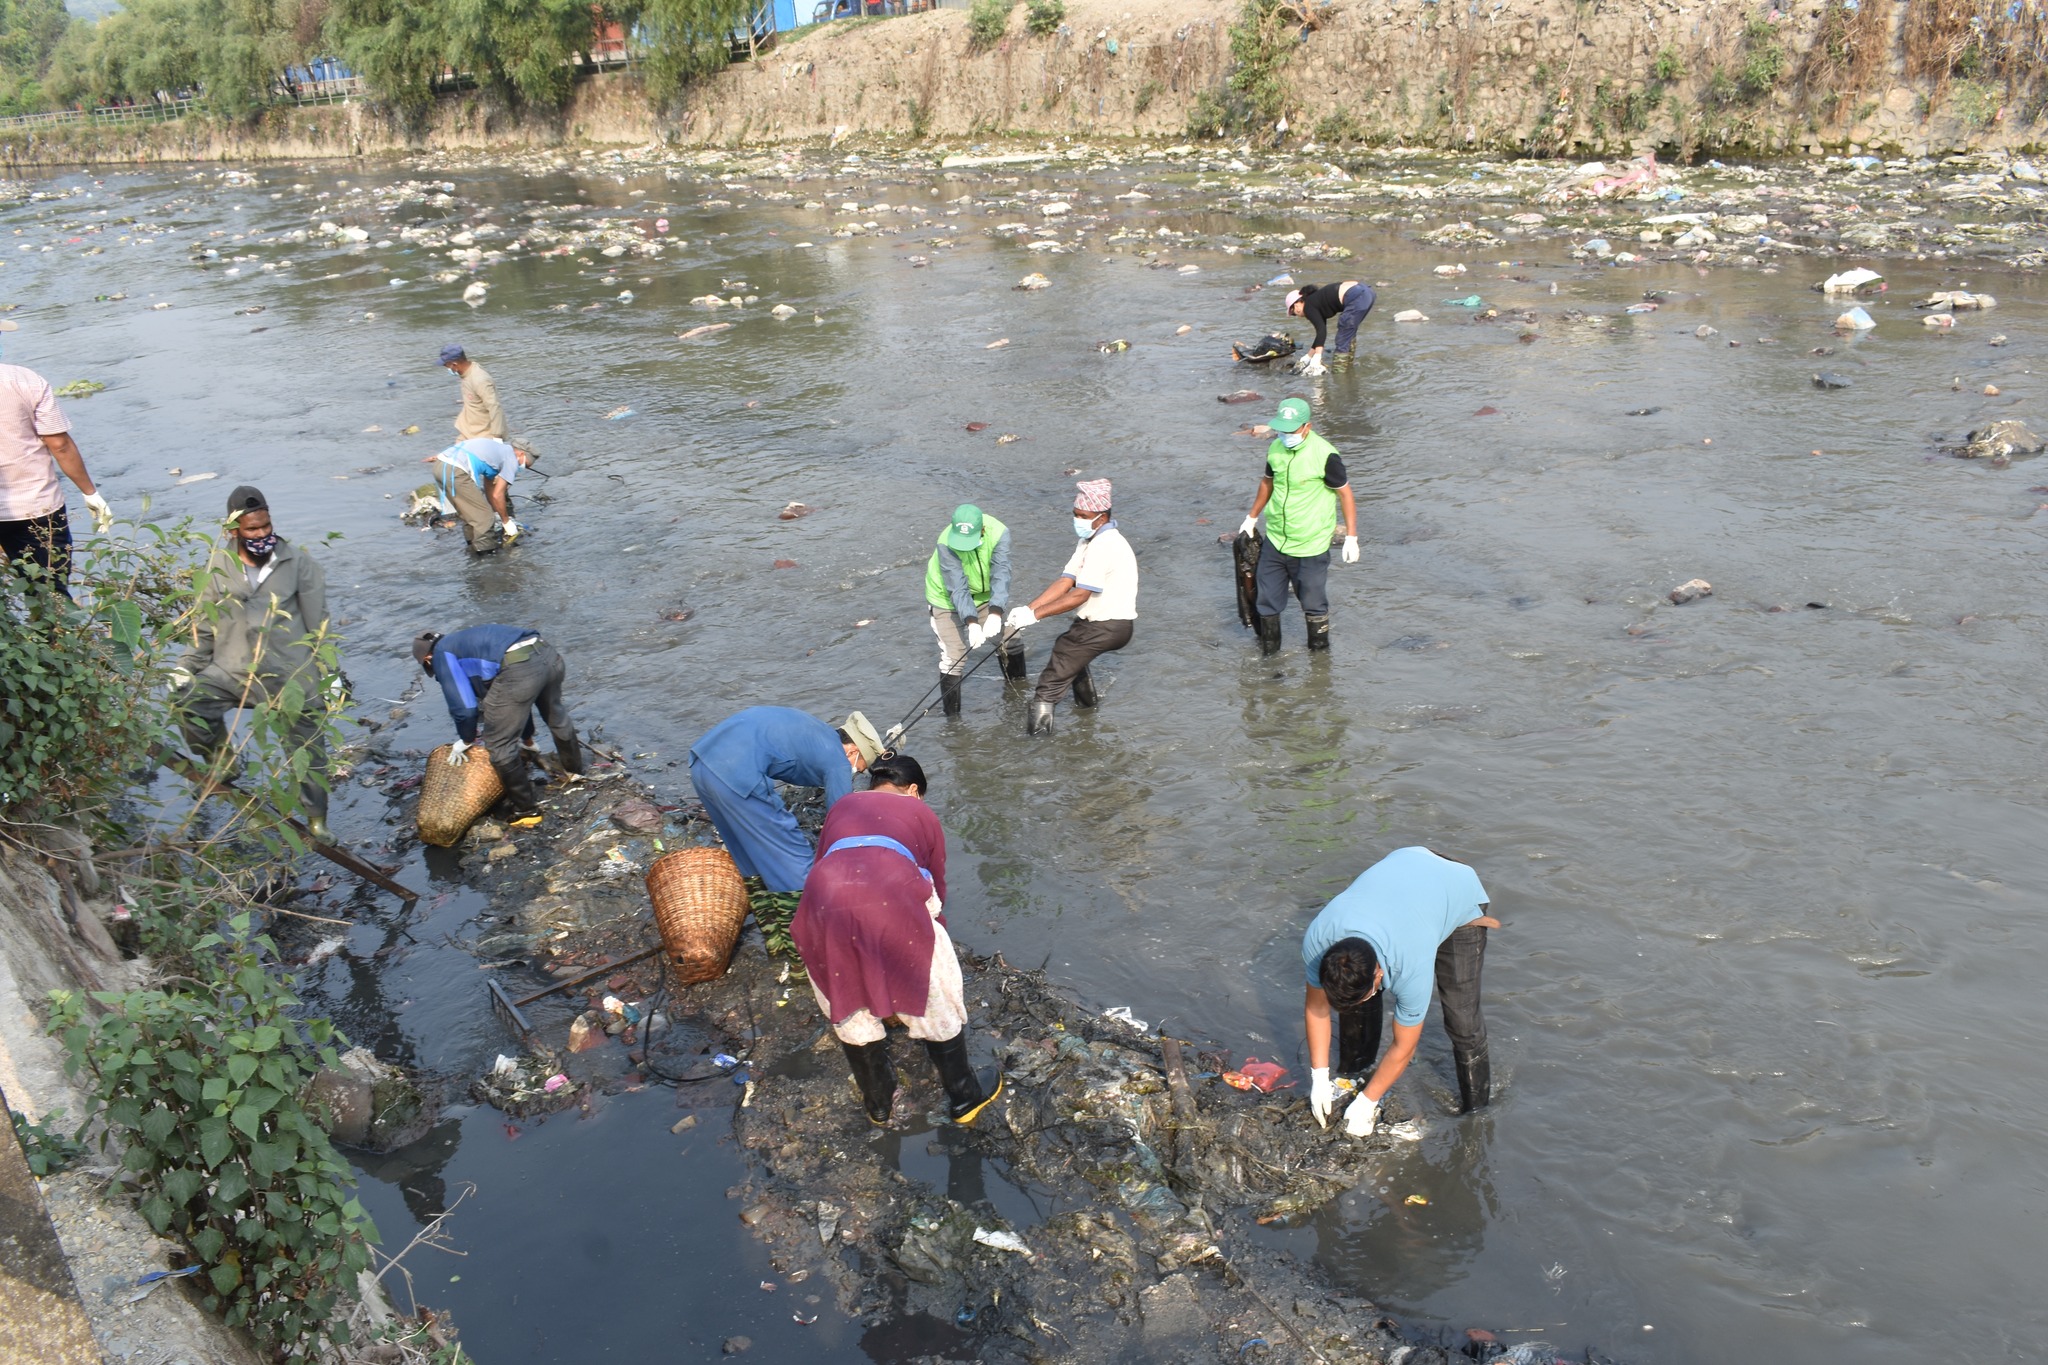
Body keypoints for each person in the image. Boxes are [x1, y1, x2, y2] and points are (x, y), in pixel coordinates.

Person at [793, 754, 1002, 1127]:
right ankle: (963, 1096)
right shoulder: (920, 812)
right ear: (913, 791)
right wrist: (933, 935)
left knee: (846, 991)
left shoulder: (844, 804)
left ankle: (878, 1102)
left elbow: (823, 858)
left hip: (821, 902)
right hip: (889, 893)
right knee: (933, 994)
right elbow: (935, 881)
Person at [170, 486, 338, 843]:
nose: (262, 535)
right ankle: (223, 758)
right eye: (252, 530)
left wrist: (330, 673)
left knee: (308, 750)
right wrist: (186, 664)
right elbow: (204, 622)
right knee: (188, 701)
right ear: (234, 531)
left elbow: (318, 624)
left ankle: (316, 820)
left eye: (266, 527)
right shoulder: (217, 565)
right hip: (232, 668)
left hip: (290, 674)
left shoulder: (298, 563)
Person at [1300, 846, 1502, 1136]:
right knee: (1356, 1001)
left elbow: (1404, 1047)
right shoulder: (1319, 943)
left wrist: (1369, 1102)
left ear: (1379, 973)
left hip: (1457, 892)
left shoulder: (1410, 966)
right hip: (1407, 865)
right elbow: (1316, 1008)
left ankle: (1476, 1115)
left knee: (1462, 1020)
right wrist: (1319, 1076)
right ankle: (1355, 1074)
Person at [688, 706, 885, 896]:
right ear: (852, 750)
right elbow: (840, 819)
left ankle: (767, 917)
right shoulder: (839, 761)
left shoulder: (819, 732)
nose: (856, 772)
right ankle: (797, 922)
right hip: (736, 774)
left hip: (702, 762)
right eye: (860, 767)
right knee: (796, 858)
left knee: (747, 855)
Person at [412, 625, 583, 829]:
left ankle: (527, 811)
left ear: (428, 659)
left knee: (498, 743)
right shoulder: (467, 641)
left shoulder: (442, 655)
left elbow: (464, 707)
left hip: (518, 667)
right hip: (546, 653)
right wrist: (527, 740)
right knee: (556, 716)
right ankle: (575, 772)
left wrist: (466, 739)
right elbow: (516, 705)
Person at [1006, 479, 1137, 737]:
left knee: (1049, 683)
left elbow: (1079, 595)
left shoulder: (1105, 545)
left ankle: (1036, 746)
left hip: (1108, 625)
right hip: (1101, 625)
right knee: (1067, 650)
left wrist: (1037, 615)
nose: (1078, 520)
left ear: (1101, 517)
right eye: (1075, 515)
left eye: (1083, 516)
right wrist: (1027, 610)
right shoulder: (1089, 541)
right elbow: (1065, 581)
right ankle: (1088, 714)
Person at [1238, 397, 1359, 655]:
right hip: (1276, 540)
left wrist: (1351, 537)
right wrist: (1251, 518)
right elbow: (1267, 483)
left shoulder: (1326, 455)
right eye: (1282, 428)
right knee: (1266, 601)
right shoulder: (1276, 449)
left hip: (1310, 544)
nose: (1285, 434)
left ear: (1307, 427)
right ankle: (1270, 661)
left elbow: (1345, 494)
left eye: (1291, 430)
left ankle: (1320, 664)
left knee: (1314, 604)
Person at [0, 320, 111, 596]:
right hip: (37, 507)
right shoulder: (25, 381)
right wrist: (90, 493)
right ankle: (50, 638)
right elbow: (59, 444)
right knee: (50, 595)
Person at [924, 502, 1027, 716]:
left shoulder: (999, 533)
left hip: (984, 596)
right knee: (955, 657)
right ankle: (953, 723)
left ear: (982, 530)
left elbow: (1001, 573)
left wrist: (996, 612)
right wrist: (972, 623)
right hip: (945, 598)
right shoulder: (945, 542)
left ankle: (1018, 697)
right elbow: (957, 587)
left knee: (1011, 641)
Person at [426, 435, 529, 554]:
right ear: (521, 454)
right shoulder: (511, 459)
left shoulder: (498, 452)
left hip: (440, 465)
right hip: (455, 469)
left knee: (470, 515)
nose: (525, 467)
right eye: (527, 464)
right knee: (484, 518)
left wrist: (498, 513)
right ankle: (485, 558)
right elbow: (498, 495)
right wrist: (506, 521)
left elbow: (490, 489)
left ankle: (472, 550)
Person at [1284, 281, 1377, 375]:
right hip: (1367, 292)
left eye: (1293, 314)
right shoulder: (1315, 301)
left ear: (1296, 306)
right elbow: (1321, 333)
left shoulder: (1308, 307)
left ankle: (1339, 375)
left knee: (1342, 337)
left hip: (1357, 296)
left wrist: (1317, 357)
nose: (1297, 315)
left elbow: (1321, 331)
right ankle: (1348, 369)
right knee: (1348, 333)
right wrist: (1308, 356)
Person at [440, 344, 509, 442]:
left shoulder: (479, 379)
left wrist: (497, 437)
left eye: (446, 365)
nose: (446, 369)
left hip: (483, 437)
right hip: (469, 433)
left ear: (454, 365)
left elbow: (494, 407)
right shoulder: (466, 375)